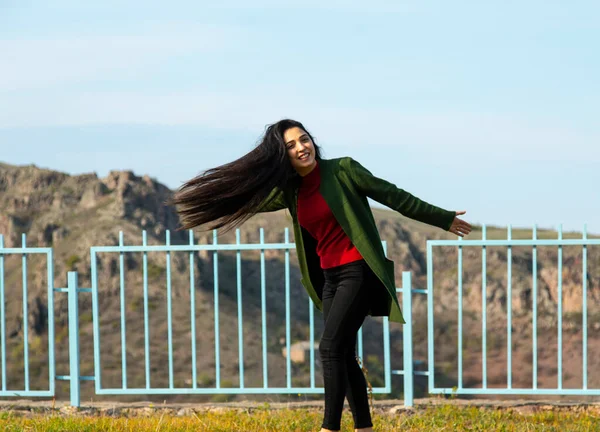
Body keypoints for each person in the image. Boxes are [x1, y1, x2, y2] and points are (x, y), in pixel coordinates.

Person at [171, 119, 472, 432]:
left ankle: (329, 428)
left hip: (358, 271)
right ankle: (364, 428)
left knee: (328, 349)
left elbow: (393, 196)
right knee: (343, 353)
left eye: (304, 139)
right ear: (281, 155)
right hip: (330, 278)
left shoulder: (343, 170)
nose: (302, 147)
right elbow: (250, 199)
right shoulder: (292, 190)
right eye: (291, 145)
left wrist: (442, 218)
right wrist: (210, 201)